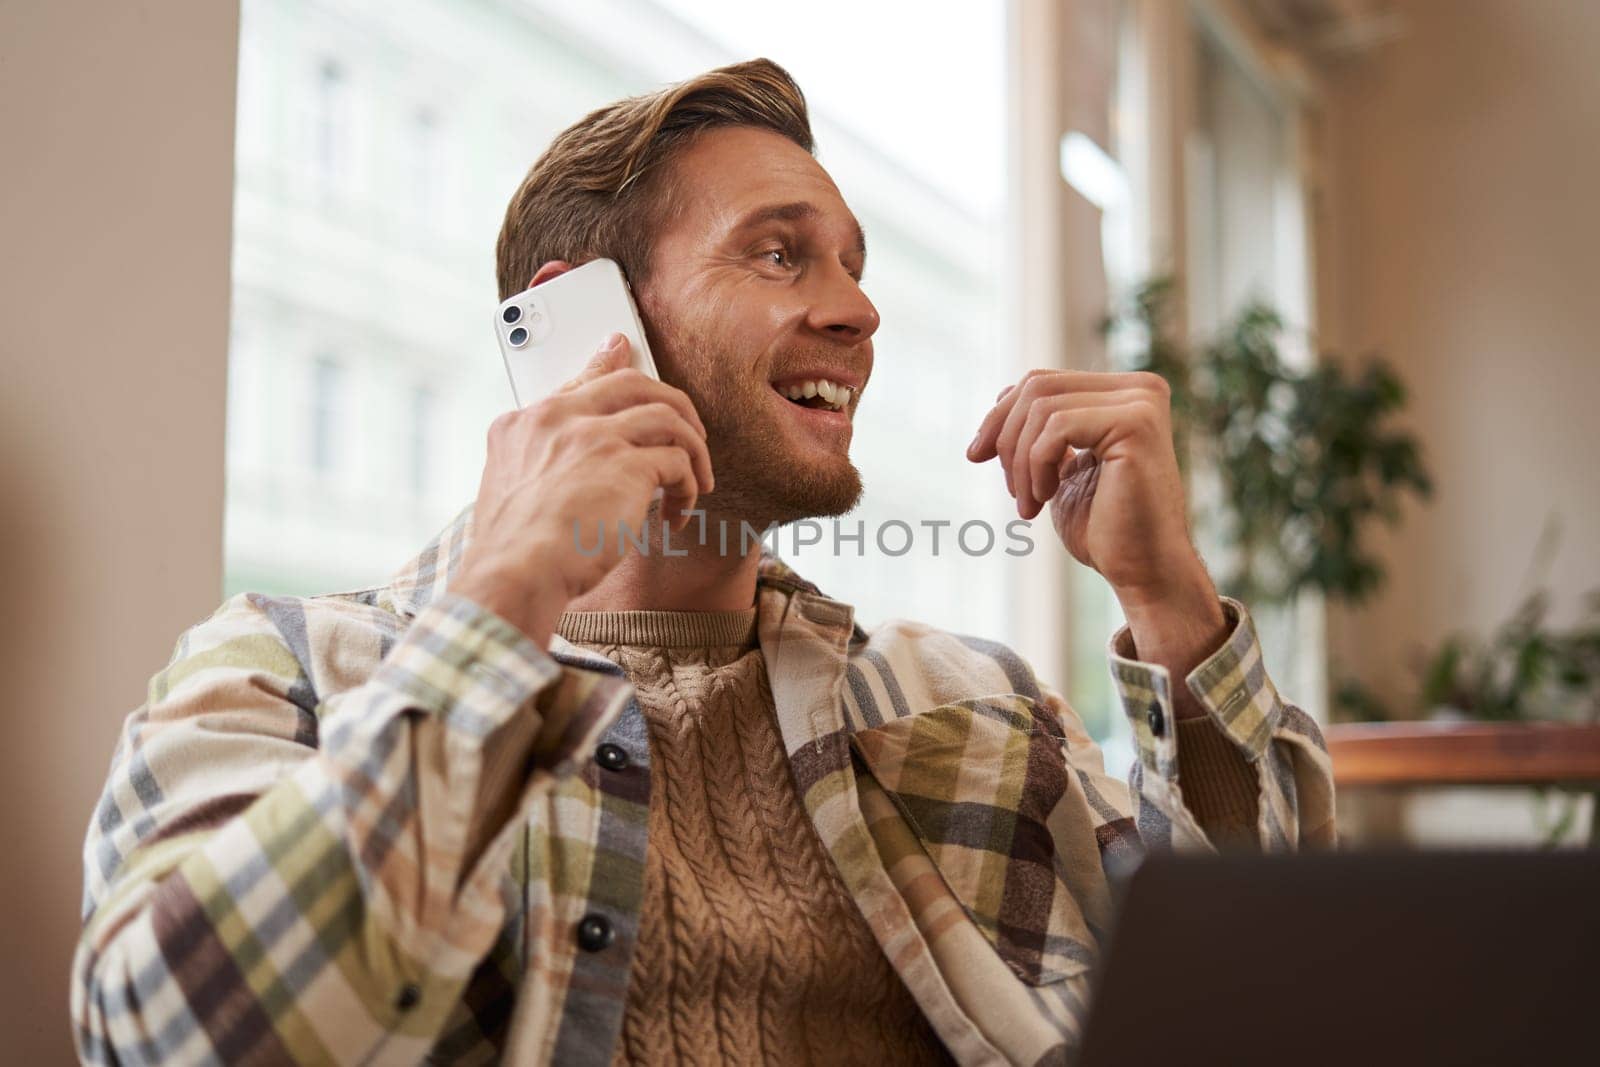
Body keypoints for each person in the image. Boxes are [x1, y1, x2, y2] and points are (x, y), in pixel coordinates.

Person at [72, 59, 1334, 1066]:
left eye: (852, 264)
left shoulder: (973, 700)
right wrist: (510, 590)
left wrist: (1166, 598)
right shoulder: (292, 674)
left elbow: (1266, 1005)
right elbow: (176, 1036)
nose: (858, 308)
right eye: (781, 252)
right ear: (584, 326)